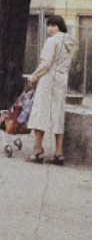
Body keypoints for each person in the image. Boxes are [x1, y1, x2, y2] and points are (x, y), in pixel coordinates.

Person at [25, 15, 77, 165]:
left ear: (59, 26)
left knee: (40, 112)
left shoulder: (51, 41)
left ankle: (38, 151)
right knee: (58, 113)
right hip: (62, 78)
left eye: (53, 25)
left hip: (49, 78)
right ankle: (59, 153)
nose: (50, 29)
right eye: (49, 26)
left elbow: (46, 63)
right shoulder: (69, 42)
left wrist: (34, 77)